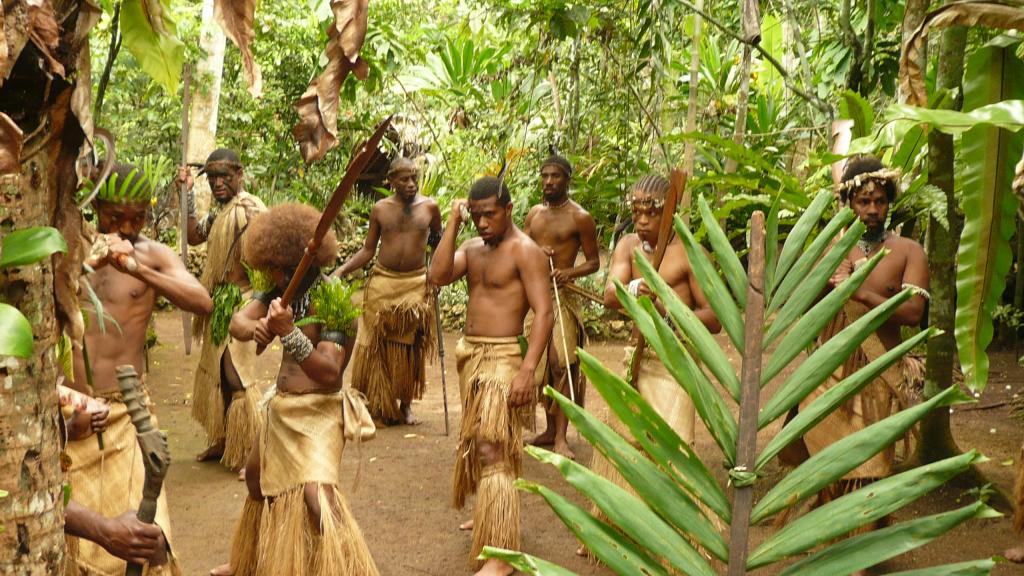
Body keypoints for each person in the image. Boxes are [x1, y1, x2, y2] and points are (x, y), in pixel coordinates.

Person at [213, 203, 378, 576]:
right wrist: (256, 328)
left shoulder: (333, 298)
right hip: (282, 409)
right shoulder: (279, 291)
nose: (268, 273)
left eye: (272, 266)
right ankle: (251, 560)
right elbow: (239, 321)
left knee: (316, 497)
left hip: (318, 412)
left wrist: (288, 333)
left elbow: (330, 372)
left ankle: (348, 567)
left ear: (290, 263)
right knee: (256, 481)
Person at [67, 163, 213, 575]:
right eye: (116, 217)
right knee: (76, 546)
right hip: (68, 415)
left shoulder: (153, 255)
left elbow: (201, 301)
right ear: (97, 207)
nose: (128, 227)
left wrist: (135, 268)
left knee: (146, 540)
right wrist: (89, 262)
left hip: (127, 413)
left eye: (138, 217)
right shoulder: (68, 250)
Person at [577, 174, 721, 557]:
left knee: (671, 450)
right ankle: (622, 524)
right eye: (637, 212)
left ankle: (674, 540)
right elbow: (609, 295)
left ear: (669, 212)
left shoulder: (689, 253)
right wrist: (632, 291)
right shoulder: (627, 246)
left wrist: (667, 310)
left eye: (650, 213)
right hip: (638, 360)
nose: (641, 221)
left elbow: (713, 318)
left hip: (675, 364)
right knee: (628, 443)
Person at [797, 155, 929, 536]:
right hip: (832, 374)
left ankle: (863, 550)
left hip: (879, 377)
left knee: (871, 464)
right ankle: (833, 536)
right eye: (863, 202)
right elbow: (804, 308)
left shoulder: (908, 251)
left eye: (880, 201)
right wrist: (825, 279)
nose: (872, 210)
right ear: (848, 204)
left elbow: (912, 312)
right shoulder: (830, 249)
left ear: (889, 203)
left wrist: (860, 289)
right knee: (830, 461)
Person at [428, 176, 553, 576]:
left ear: (509, 209)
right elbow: (439, 275)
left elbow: (544, 313)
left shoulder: (526, 251)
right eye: (476, 215)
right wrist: (452, 224)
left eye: (490, 215)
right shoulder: (470, 248)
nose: (482, 223)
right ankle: (492, 517)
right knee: (481, 445)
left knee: (492, 446)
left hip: (504, 358)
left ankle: (502, 555)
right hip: (471, 355)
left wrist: (529, 370)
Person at [177, 148, 268, 473]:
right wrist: (186, 194)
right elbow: (193, 235)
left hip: (245, 300)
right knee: (218, 375)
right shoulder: (219, 214)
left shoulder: (250, 208)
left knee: (237, 374)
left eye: (224, 177)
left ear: (239, 174)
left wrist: (262, 302)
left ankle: (252, 452)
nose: (217, 183)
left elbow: (269, 255)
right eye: (212, 178)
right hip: (220, 302)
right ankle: (224, 440)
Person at [334, 157, 441, 425]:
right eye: (404, 179)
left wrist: (437, 272)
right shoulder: (380, 209)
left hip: (415, 282)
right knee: (375, 344)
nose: (411, 184)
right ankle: (376, 402)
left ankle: (405, 405)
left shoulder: (430, 207)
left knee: (409, 344)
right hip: (383, 280)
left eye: (414, 178)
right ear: (391, 181)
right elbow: (369, 249)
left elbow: (438, 243)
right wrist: (342, 270)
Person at [522, 153, 599, 459]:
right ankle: (550, 430)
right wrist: (537, 251)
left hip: (562, 296)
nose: (549, 182)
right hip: (536, 295)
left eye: (555, 176)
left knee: (562, 363)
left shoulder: (580, 217)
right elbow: (521, 246)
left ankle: (562, 439)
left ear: (568, 179)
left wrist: (569, 272)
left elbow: (593, 262)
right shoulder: (534, 214)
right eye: (544, 176)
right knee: (538, 365)